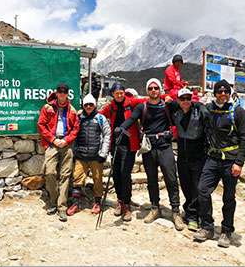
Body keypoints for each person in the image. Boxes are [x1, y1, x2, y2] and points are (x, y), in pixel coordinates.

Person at [117, 78, 186, 231]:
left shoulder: (167, 105)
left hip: (164, 145)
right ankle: (155, 207)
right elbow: (132, 119)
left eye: (156, 88)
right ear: (147, 91)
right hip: (148, 147)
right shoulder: (142, 107)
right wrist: (121, 128)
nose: (154, 91)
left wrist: (172, 102)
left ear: (160, 89)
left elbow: (180, 111)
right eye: (151, 88)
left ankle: (175, 211)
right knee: (152, 179)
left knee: (171, 178)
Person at [194, 79, 245, 247]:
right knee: (202, 190)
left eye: (226, 92)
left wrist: (239, 162)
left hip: (230, 161)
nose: (223, 94)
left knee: (228, 197)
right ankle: (207, 227)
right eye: (220, 92)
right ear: (215, 93)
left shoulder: (237, 112)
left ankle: (226, 231)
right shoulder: (210, 110)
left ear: (230, 93)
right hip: (212, 159)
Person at [99, 82, 147, 221]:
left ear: (124, 92)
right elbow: (100, 114)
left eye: (121, 92)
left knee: (125, 175)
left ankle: (126, 205)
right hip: (116, 145)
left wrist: (167, 97)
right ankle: (121, 201)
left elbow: (149, 99)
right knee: (117, 175)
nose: (119, 95)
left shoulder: (132, 102)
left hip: (129, 145)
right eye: (116, 93)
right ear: (112, 94)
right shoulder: (111, 107)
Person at [37, 83, 80, 222]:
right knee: (49, 172)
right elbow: (41, 125)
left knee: (65, 175)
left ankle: (61, 207)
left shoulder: (72, 110)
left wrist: (67, 140)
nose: (62, 94)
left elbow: (75, 128)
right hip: (52, 144)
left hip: (66, 144)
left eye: (64, 92)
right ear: (56, 93)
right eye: (60, 91)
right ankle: (54, 201)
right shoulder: (48, 108)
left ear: (67, 94)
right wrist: (53, 139)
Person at [169, 88, 209, 231]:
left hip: (197, 155)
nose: (186, 101)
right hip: (182, 155)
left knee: (196, 187)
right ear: (178, 100)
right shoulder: (176, 112)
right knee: (185, 185)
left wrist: (201, 105)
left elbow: (209, 124)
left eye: (188, 98)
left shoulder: (199, 111)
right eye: (183, 99)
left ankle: (194, 216)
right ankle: (188, 210)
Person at [66, 94, 111, 216]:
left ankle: (97, 202)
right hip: (81, 156)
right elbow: (74, 134)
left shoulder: (101, 119)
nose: (89, 107)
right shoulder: (79, 118)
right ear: (83, 105)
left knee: (97, 180)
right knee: (77, 179)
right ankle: (76, 203)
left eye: (91, 104)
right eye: (86, 105)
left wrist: (103, 153)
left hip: (96, 156)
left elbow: (107, 135)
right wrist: (74, 152)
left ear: (95, 105)